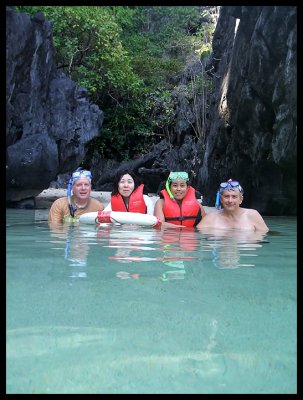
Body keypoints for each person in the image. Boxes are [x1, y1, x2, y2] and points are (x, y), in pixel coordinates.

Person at [196, 179, 269, 232]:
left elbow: (265, 237)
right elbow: (198, 238)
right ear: (221, 199)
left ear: (241, 199)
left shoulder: (253, 215)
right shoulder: (210, 218)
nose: (230, 200)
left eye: (234, 197)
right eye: (226, 196)